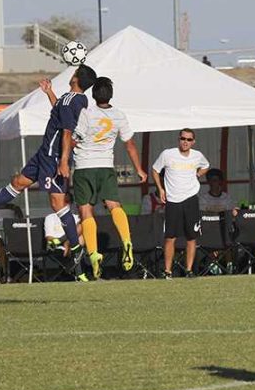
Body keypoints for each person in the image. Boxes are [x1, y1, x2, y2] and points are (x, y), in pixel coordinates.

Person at [0, 67, 96, 261]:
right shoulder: (78, 99)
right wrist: (49, 92)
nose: (71, 74)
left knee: (58, 203)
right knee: (18, 182)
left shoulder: (71, 99)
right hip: (44, 153)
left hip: (53, 156)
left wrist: (64, 161)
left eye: (74, 72)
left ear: (76, 79)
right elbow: (60, 113)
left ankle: (75, 249)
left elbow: (66, 131)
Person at [72, 76, 147, 278]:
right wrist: (139, 169)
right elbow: (129, 144)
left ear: (93, 95)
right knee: (114, 205)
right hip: (106, 166)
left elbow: (75, 138)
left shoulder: (86, 113)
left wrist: (62, 160)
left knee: (86, 212)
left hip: (84, 167)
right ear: (110, 95)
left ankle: (94, 254)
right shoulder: (119, 115)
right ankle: (126, 241)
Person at [152, 128, 210, 279]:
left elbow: (206, 166)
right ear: (179, 139)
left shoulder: (197, 156)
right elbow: (155, 170)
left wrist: (197, 174)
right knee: (170, 237)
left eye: (189, 140)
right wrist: (160, 189)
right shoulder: (167, 154)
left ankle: (189, 270)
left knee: (192, 237)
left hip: (191, 199)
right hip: (172, 200)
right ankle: (167, 271)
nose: (185, 142)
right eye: (183, 139)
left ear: (193, 142)